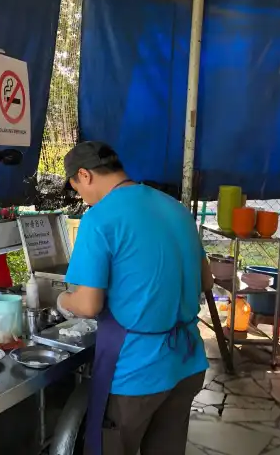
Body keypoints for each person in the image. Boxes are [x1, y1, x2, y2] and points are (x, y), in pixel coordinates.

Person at [56, 141, 213, 455]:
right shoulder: (176, 209)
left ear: (84, 175)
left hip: (137, 371)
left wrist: (63, 300)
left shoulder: (99, 219)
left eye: (76, 188)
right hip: (186, 363)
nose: (81, 197)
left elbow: (88, 304)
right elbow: (206, 280)